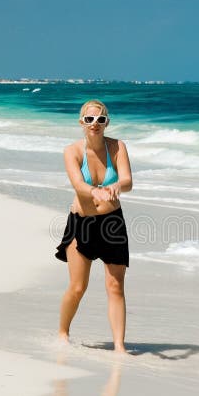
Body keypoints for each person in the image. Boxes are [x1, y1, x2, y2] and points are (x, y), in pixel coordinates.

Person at [55, 100, 132, 353]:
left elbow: (127, 181)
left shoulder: (117, 146)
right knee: (78, 287)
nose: (95, 124)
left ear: (107, 122)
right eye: (89, 120)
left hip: (112, 223)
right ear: (81, 123)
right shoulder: (72, 151)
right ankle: (63, 332)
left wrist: (115, 187)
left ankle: (119, 347)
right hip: (83, 224)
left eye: (100, 119)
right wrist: (95, 193)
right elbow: (78, 185)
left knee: (115, 286)